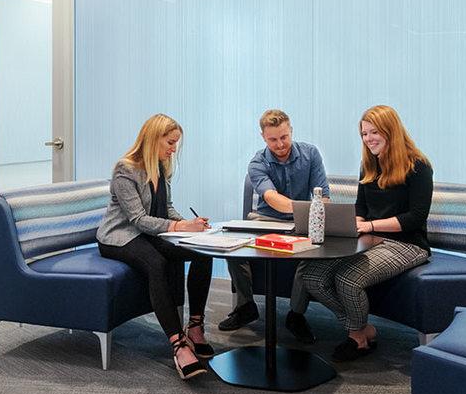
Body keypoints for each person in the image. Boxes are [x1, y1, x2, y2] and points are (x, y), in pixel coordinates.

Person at [300, 105, 433, 363]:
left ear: (390, 131)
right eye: (364, 133)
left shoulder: (418, 166)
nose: (368, 138)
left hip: (407, 244)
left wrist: (369, 226)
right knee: (312, 276)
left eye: (374, 132)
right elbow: (361, 207)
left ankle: (357, 339)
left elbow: (416, 218)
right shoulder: (369, 165)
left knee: (348, 279)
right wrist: (352, 225)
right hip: (371, 240)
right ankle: (360, 329)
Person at [95, 114, 215, 380]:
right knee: (156, 263)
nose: (174, 149)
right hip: (119, 237)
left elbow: (166, 208)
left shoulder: (161, 166)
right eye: (170, 142)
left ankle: (195, 327)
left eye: (176, 143)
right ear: (153, 139)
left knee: (203, 253)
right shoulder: (125, 170)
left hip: (147, 234)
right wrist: (180, 227)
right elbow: (137, 219)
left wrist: (191, 225)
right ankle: (179, 345)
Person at [218, 109, 327, 342]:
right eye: (273, 139)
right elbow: (271, 198)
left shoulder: (311, 154)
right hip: (265, 220)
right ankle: (246, 306)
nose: (280, 144)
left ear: (291, 131)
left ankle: (296, 315)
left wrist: (309, 215)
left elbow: (323, 197)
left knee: (312, 254)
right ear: (263, 137)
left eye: (284, 137)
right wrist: (308, 208)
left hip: (301, 222)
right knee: (233, 247)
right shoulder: (257, 162)